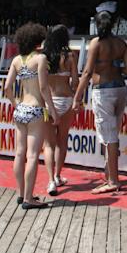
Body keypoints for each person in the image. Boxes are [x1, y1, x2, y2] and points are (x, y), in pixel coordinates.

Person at [74, 4, 127, 194]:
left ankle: (113, 180)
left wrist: (77, 97)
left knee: (108, 137)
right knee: (112, 133)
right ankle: (110, 173)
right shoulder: (121, 44)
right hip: (120, 88)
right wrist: (116, 67)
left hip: (103, 90)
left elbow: (87, 72)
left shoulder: (96, 43)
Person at [2, 23, 54, 209]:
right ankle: (29, 199)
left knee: (19, 153)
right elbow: (43, 88)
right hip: (36, 110)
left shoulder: (17, 60)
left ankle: (20, 193)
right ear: (36, 42)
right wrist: (53, 110)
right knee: (32, 156)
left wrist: (15, 104)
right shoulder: (40, 59)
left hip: (21, 109)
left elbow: (7, 87)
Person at [42, 25, 77, 196]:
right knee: (62, 140)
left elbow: (41, 84)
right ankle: (57, 175)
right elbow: (75, 82)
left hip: (49, 102)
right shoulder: (70, 56)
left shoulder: (44, 58)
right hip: (67, 100)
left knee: (48, 144)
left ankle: (50, 181)